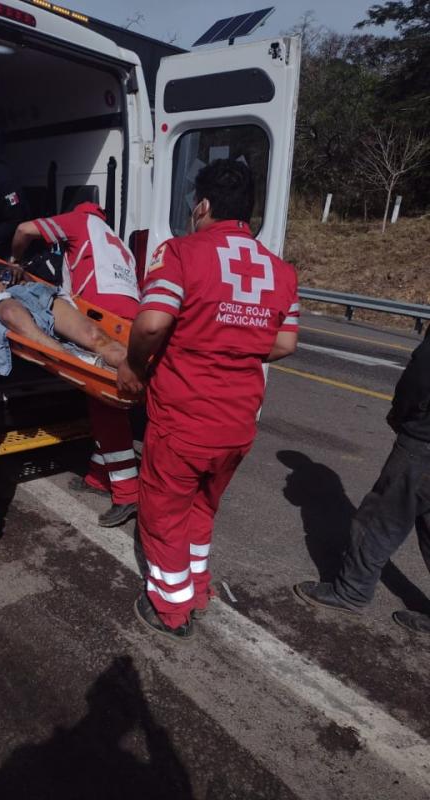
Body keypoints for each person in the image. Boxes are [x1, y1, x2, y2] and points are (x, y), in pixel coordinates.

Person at [116, 159, 300, 641]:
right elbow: (284, 344)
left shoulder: (180, 252)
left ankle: (170, 608)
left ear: (203, 205)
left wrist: (134, 368)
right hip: (238, 424)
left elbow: (153, 323)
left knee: (163, 513)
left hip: (184, 420)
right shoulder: (281, 271)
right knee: (202, 507)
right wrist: (235, 340)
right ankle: (197, 586)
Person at [11, 202, 140, 528]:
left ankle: (127, 493)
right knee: (100, 398)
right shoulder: (117, 241)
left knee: (106, 405)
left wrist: (14, 260)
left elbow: (24, 229)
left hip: (102, 320)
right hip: (129, 321)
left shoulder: (80, 222)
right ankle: (99, 475)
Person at [294, 325, 430, 635]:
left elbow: (420, 376)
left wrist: (401, 414)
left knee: (379, 521)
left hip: (423, 445)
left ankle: (350, 592)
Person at [0, 257, 126, 369]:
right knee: (9, 312)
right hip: (1, 301)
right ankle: (81, 364)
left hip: (36, 292)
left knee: (94, 335)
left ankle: (135, 367)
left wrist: (17, 268)